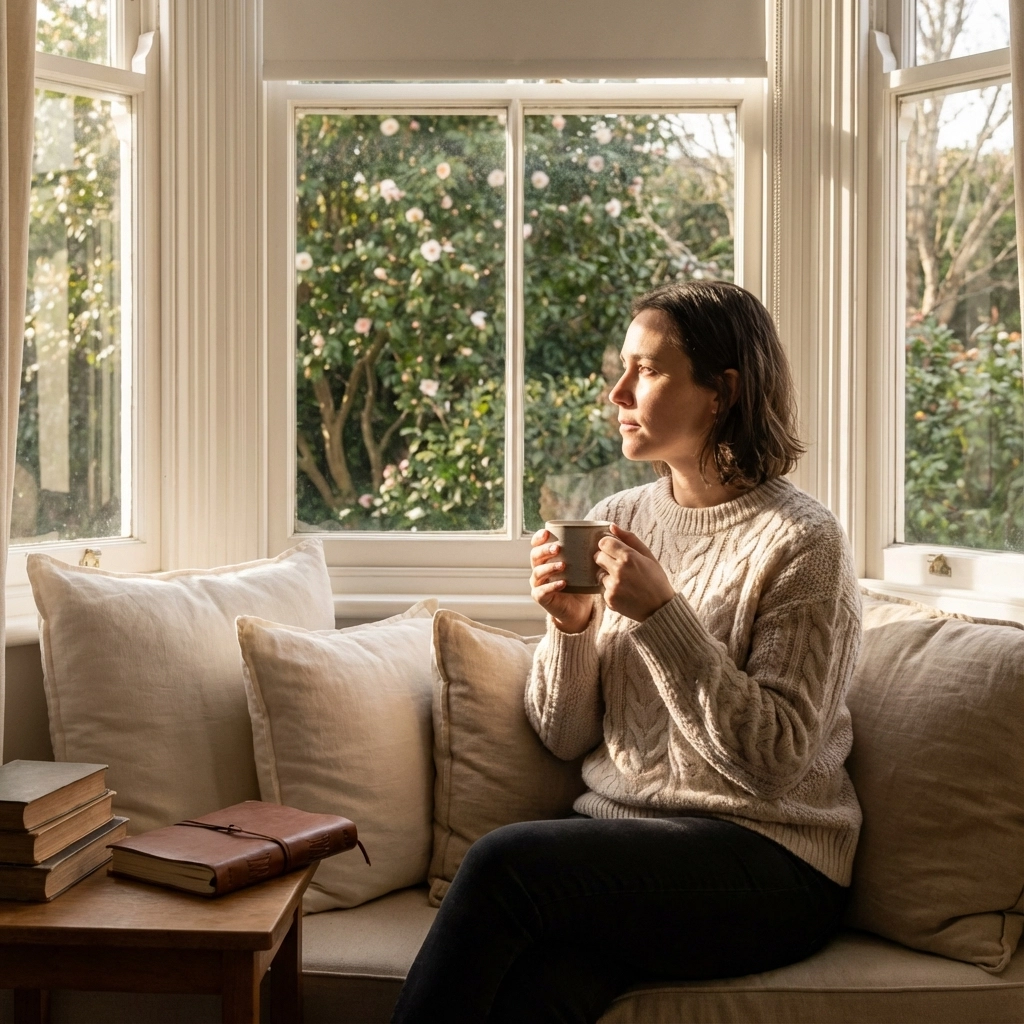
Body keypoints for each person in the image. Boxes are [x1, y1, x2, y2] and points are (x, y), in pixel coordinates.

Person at [392, 281, 862, 1024]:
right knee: (539, 991)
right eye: (622, 367)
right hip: (627, 847)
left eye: (646, 370)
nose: (617, 391)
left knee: (501, 863)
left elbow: (775, 761)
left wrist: (662, 615)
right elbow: (564, 734)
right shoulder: (618, 518)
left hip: (772, 860)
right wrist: (572, 629)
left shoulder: (803, 542)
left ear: (722, 391)